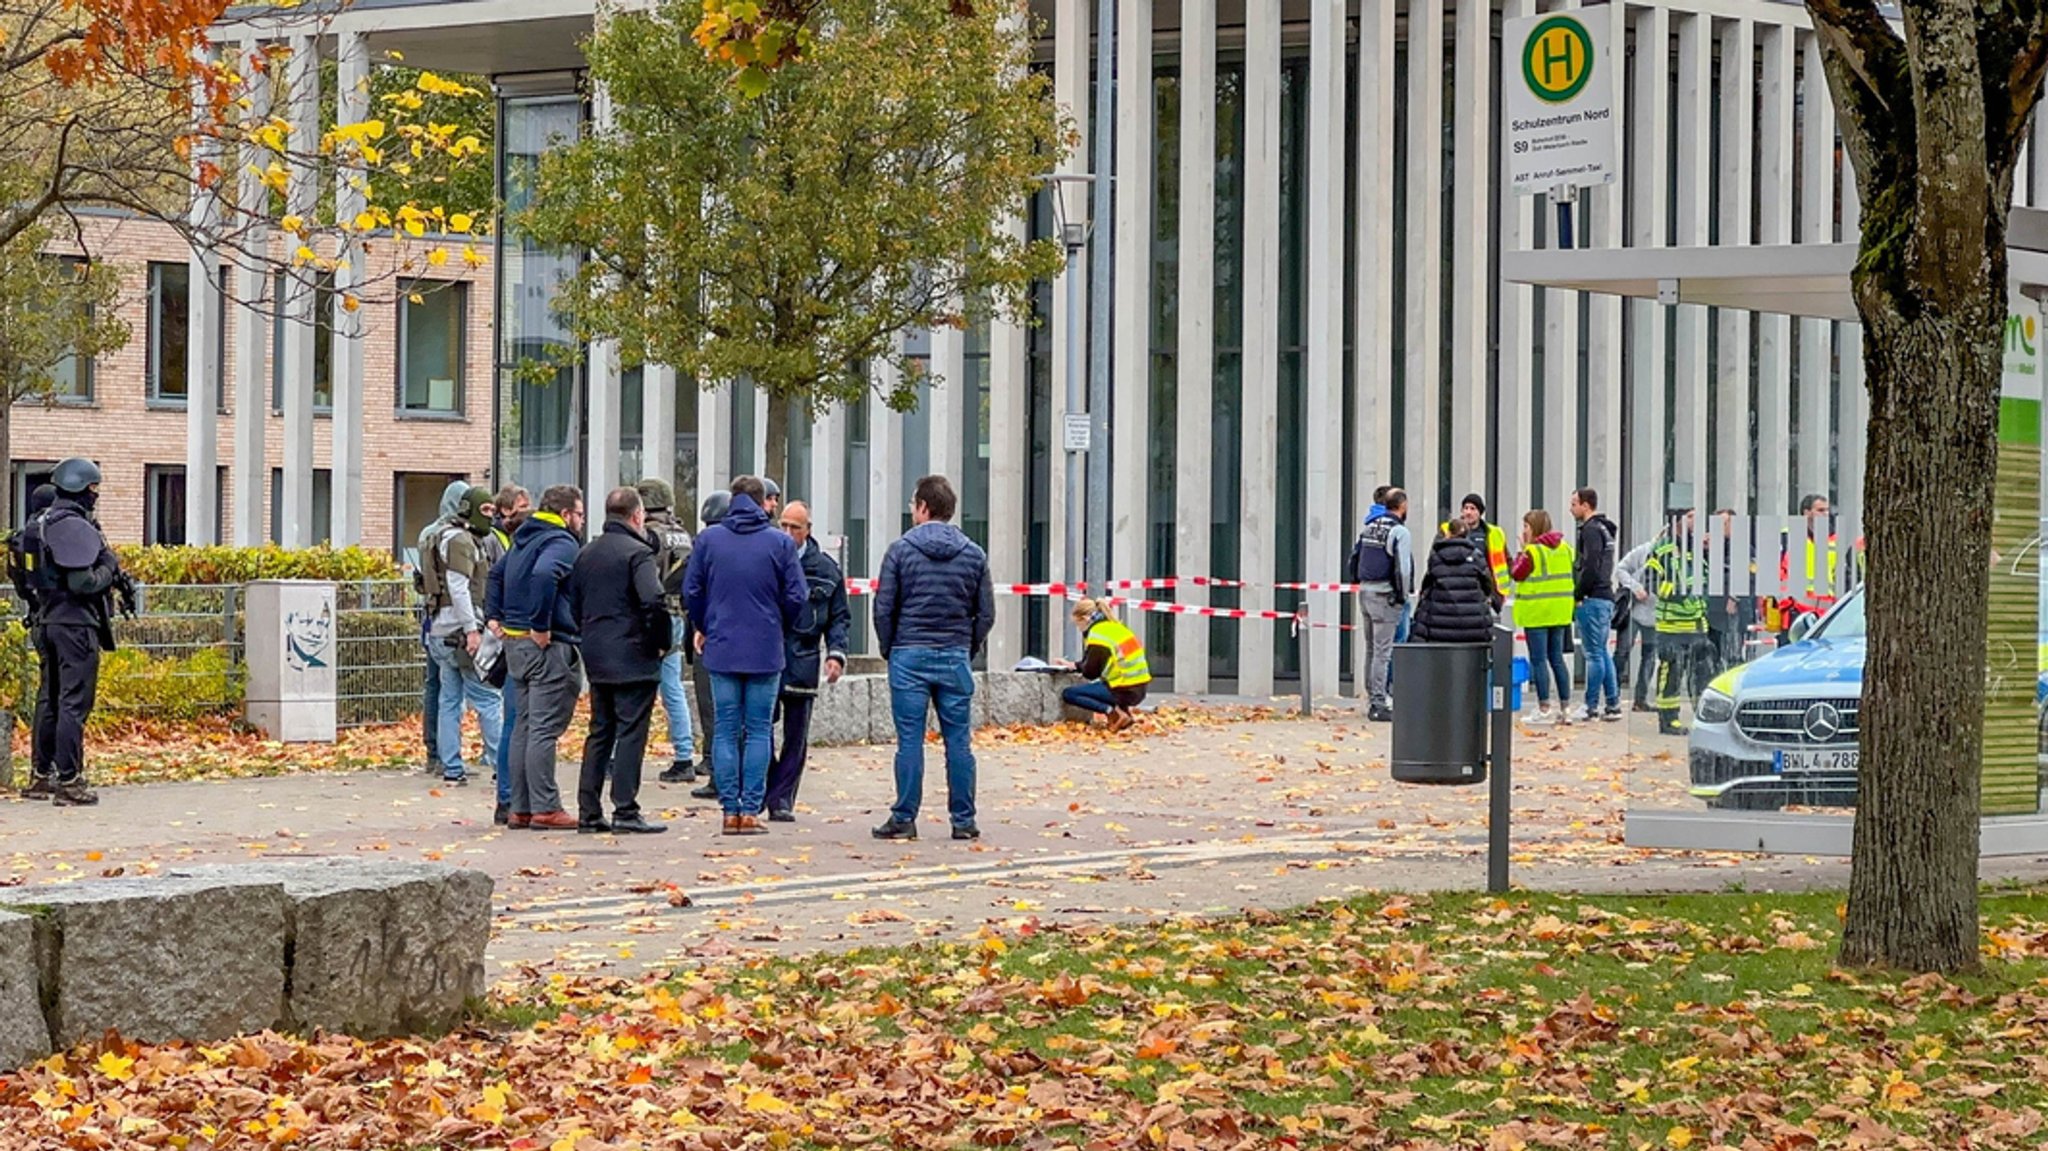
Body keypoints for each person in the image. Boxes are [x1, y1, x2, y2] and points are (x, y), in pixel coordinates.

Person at [872, 474, 995, 842]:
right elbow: (986, 613)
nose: (912, 510)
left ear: (924, 507)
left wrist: (890, 648)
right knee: (958, 741)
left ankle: (904, 817)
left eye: (913, 504)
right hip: (954, 654)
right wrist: (966, 646)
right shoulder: (973, 553)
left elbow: (883, 608)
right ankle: (963, 820)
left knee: (909, 740)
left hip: (909, 654)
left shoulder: (900, 551)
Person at [684, 476, 805, 835]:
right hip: (765, 648)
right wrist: (778, 623)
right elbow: (797, 595)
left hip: (721, 646)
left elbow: (692, 590)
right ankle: (751, 810)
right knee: (758, 730)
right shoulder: (780, 543)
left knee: (724, 729)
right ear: (761, 502)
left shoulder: (708, 540)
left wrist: (705, 624)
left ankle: (728, 810)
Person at [23, 458, 135, 807]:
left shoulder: (41, 522)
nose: (95, 495)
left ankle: (42, 776)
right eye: (93, 489)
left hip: (47, 620)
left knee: (50, 699)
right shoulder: (71, 525)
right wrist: (108, 567)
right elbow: (82, 582)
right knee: (73, 703)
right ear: (80, 489)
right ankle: (69, 781)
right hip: (75, 624)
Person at [569, 487, 672, 835]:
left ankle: (589, 810)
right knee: (630, 732)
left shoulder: (586, 553)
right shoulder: (638, 554)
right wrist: (660, 643)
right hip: (634, 655)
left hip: (597, 654)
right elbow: (653, 601)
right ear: (637, 516)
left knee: (599, 731)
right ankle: (625, 809)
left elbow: (574, 604)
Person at [499, 484, 587, 830]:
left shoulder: (523, 537)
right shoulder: (561, 542)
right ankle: (546, 806)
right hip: (545, 645)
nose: (580, 520)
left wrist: (499, 617)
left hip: (515, 643)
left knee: (523, 725)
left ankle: (519, 807)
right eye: (579, 514)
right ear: (565, 514)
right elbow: (545, 574)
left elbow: (496, 574)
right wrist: (540, 623)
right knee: (544, 729)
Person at [766, 500, 852, 821]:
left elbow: (839, 618)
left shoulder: (826, 570)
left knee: (796, 736)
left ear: (808, 531)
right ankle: (769, 786)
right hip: (767, 659)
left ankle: (782, 799)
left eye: (795, 528)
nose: (788, 533)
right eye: (783, 526)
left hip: (802, 658)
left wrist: (836, 655)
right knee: (757, 729)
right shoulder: (767, 560)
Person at [420, 485, 504, 786]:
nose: (490, 518)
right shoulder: (461, 541)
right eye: (485, 511)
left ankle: (451, 766)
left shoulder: (440, 535)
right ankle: (501, 763)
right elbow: (459, 587)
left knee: (449, 700)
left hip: (440, 630)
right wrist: (472, 630)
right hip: (460, 632)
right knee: (488, 699)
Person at [637, 478, 699, 785]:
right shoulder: (682, 534)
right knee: (673, 688)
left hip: (653, 616)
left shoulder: (649, 535)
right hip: (678, 616)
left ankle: (625, 754)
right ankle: (684, 756)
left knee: (638, 688)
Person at [415, 479, 471, 777]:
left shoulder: (427, 533)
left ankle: (436, 753)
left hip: (431, 618)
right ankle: (446, 754)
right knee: (451, 690)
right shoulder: (456, 536)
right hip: (451, 621)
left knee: (436, 685)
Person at [484, 494, 531, 825]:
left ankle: (507, 797)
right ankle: (512, 796)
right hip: (525, 643)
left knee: (512, 723)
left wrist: (493, 616)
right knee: (518, 723)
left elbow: (492, 580)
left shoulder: (509, 555)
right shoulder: (526, 556)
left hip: (511, 641)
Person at [8, 484, 56, 796]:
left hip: (38, 617)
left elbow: (19, 581)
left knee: (47, 691)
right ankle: (53, 768)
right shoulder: (53, 533)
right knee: (61, 697)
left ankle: (40, 768)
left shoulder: (21, 538)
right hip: (62, 618)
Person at [1646, 508, 1711, 736]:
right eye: (1691, 516)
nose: (1696, 521)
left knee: (1701, 674)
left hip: (1697, 623)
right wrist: (1679, 593)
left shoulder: (1697, 548)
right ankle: (1668, 720)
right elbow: (1651, 581)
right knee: (1671, 673)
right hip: (1671, 624)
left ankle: (1703, 719)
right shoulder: (1662, 548)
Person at [1351, 486, 1413, 722]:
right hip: (1385, 594)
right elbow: (1403, 568)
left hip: (1366, 591)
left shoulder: (1370, 527)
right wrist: (1402, 595)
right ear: (1402, 506)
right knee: (1383, 652)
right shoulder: (1399, 531)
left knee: (1371, 649)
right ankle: (1379, 702)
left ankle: (1371, 697)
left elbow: (1354, 559)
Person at [686, 489, 732, 802]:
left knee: (713, 711)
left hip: (710, 637)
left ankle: (718, 773)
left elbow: (693, 591)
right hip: (738, 641)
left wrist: (700, 626)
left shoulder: (706, 549)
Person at [1510, 509, 1575, 723]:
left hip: (1537, 612)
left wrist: (1522, 551)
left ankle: (1544, 707)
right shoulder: (1565, 548)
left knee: (1539, 660)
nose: (1524, 531)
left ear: (1534, 528)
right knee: (1557, 659)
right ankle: (1565, 709)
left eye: (1526, 527)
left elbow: (1517, 573)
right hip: (1560, 612)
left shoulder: (1533, 552)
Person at [1569, 487, 1622, 721]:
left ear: (1585, 505)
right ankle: (1612, 703)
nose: (1571, 509)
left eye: (1574, 504)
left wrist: (1579, 593)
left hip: (1593, 597)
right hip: (1605, 596)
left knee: (1593, 654)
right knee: (1602, 652)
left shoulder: (1590, 531)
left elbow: (1590, 565)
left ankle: (1590, 705)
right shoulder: (1604, 529)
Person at [1060, 598, 1151, 731]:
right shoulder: (1116, 628)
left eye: (1078, 624)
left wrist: (1080, 667)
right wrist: (1076, 665)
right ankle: (1124, 715)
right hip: (1140, 688)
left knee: (1069, 694)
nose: (1079, 629)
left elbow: (1091, 673)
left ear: (1085, 619)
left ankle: (1114, 712)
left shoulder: (1098, 636)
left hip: (1122, 689)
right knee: (1104, 685)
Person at [1409, 522, 1502, 643]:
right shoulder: (1477, 557)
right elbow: (1488, 586)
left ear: (1448, 533)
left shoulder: (1436, 557)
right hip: (1473, 626)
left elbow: (1427, 586)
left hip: (1439, 625)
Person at [1766, 493, 1839, 644]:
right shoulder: (1788, 537)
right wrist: (1784, 603)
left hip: (1825, 616)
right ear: (1806, 513)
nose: (1826, 514)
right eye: (1820, 510)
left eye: (1826, 510)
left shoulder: (1833, 540)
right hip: (1794, 613)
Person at [1439, 493, 1511, 607]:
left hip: (1484, 594)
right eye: (1465, 508)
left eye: (1472, 509)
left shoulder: (1494, 533)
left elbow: (1507, 561)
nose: (1468, 512)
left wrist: (1497, 594)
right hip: (1454, 591)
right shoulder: (1447, 530)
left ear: (1480, 513)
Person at [1615, 537, 1661, 712]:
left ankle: (1640, 700)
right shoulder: (1645, 550)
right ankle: (1613, 696)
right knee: (1622, 652)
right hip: (1633, 610)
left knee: (1649, 657)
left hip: (1656, 613)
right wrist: (1635, 587)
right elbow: (1620, 569)